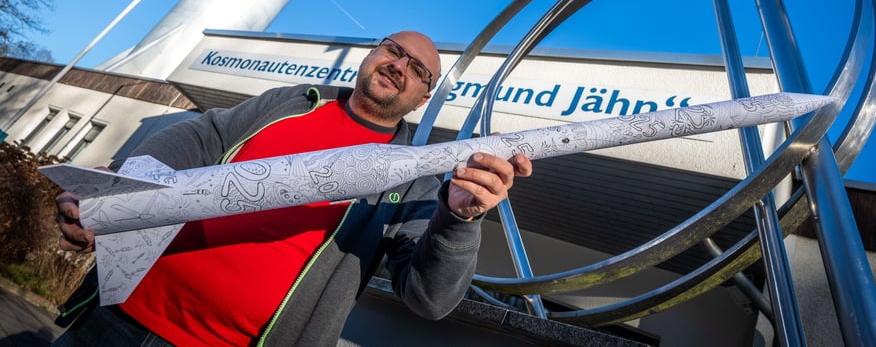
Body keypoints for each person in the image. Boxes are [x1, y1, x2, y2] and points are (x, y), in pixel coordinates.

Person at [53, 30, 532, 347]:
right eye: (392, 50)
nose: (399, 65)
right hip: (117, 315)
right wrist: (120, 186)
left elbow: (429, 298)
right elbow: (201, 135)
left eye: (419, 69)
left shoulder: (418, 182)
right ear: (371, 54)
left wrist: (459, 220)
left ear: (424, 97)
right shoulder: (292, 102)